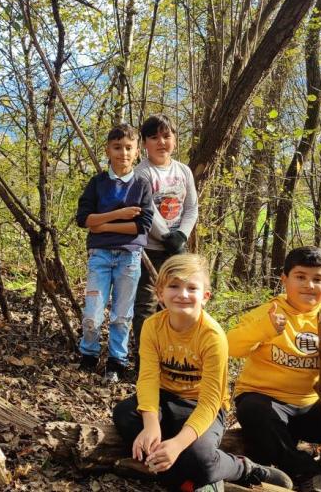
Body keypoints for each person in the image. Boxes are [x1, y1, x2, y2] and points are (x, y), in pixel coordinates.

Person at [112, 254, 293, 491]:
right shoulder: (152, 326)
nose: (183, 294)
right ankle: (185, 475)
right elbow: (147, 379)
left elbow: (209, 402)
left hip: (202, 406)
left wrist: (176, 444)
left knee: (200, 459)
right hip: (165, 399)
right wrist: (151, 425)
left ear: (205, 296)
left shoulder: (213, 336)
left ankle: (243, 468)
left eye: (192, 288)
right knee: (124, 414)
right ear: (160, 293)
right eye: (174, 286)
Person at [228, 246, 321, 491]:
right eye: (300, 277)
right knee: (254, 411)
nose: (309, 285)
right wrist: (264, 329)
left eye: (317, 279)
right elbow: (230, 346)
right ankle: (304, 470)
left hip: (309, 406)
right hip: (267, 403)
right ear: (284, 280)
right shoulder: (268, 313)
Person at [74, 123, 154, 382]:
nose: (123, 153)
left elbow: (142, 225)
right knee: (92, 313)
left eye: (128, 148)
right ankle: (88, 354)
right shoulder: (98, 184)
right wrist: (118, 215)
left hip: (129, 258)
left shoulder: (141, 185)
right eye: (117, 147)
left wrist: (101, 224)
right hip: (100, 255)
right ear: (108, 150)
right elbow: (84, 219)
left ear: (137, 152)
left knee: (122, 314)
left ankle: (117, 361)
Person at [132, 114, 198, 362]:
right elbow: (147, 209)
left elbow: (192, 207)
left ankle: (172, 357)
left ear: (175, 140)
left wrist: (181, 236)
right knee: (147, 304)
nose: (161, 142)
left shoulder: (183, 171)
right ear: (145, 144)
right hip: (150, 250)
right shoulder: (141, 173)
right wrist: (167, 236)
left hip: (178, 250)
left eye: (166, 136)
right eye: (154, 137)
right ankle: (144, 359)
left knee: (174, 303)